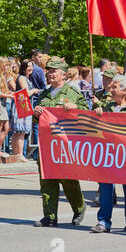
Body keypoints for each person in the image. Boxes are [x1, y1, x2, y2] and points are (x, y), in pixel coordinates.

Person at [32, 57, 88, 227]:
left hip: (65, 145)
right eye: (48, 71)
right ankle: (49, 216)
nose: (49, 74)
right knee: (47, 179)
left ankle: (79, 207)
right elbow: (37, 121)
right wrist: (36, 113)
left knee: (68, 180)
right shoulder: (44, 94)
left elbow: (86, 113)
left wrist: (75, 108)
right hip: (47, 145)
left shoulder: (73, 92)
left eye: (53, 71)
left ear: (63, 74)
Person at [90, 75, 126, 233]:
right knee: (106, 187)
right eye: (110, 87)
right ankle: (104, 221)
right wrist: (96, 113)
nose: (110, 90)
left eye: (114, 87)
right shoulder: (106, 107)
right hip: (108, 154)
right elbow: (94, 127)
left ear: (125, 91)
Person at [91, 68, 118, 207]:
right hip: (97, 132)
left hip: (111, 134)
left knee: (108, 165)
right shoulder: (99, 93)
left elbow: (112, 111)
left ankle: (103, 194)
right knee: (98, 165)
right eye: (104, 79)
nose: (105, 81)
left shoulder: (115, 95)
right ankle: (110, 193)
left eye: (108, 79)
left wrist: (99, 104)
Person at [10, 60, 40, 162]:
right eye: (28, 66)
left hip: (23, 105)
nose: (30, 68)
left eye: (31, 66)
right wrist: (34, 90)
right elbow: (25, 93)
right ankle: (19, 154)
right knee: (20, 132)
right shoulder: (22, 78)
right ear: (24, 68)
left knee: (19, 132)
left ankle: (16, 154)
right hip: (21, 104)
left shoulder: (27, 78)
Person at [0, 57, 13, 158]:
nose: (8, 67)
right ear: (1, 65)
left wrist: (9, 93)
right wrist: (9, 95)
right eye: (6, 64)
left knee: (7, 127)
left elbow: (2, 92)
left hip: (3, 104)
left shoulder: (2, 76)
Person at [29, 49, 47, 161]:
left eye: (41, 57)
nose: (40, 59)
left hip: (31, 98)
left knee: (30, 128)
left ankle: (33, 151)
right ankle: (36, 152)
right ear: (33, 57)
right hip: (36, 99)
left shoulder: (30, 68)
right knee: (36, 126)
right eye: (39, 57)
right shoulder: (38, 70)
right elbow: (43, 86)